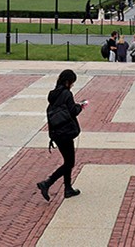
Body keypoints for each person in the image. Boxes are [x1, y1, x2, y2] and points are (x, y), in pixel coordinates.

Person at [37, 69, 85, 201]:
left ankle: (68, 189)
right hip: (65, 132)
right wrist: (80, 107)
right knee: (69, 163)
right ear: (68, 82)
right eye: (72, 82)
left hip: (56, 133)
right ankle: (47, 183)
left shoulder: (53, 94)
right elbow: (72, 111)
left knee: (68, 161)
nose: (72, 85)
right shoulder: (67, 94)